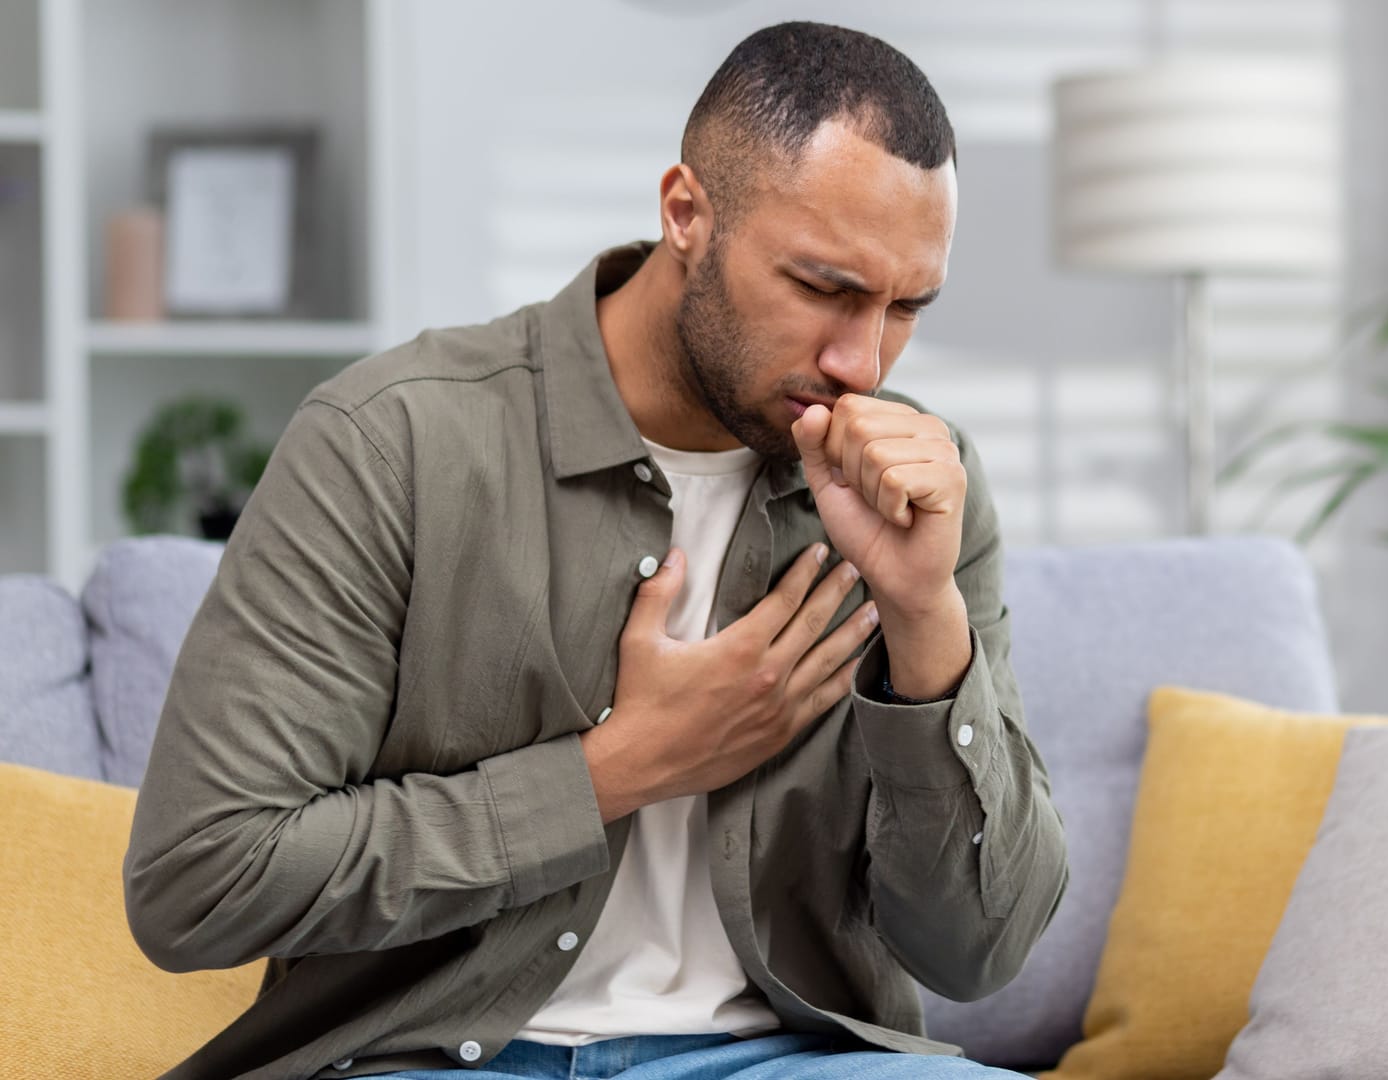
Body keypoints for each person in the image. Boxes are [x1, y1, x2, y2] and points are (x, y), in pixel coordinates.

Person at [124, 21, 1068, 1080]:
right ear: (686, 213)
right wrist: (615, 771)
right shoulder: (395, 441)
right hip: (425, 1059)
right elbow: (197, 881)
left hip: (786, 1062)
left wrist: (926, 627)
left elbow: (979, 952)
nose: (861, 360)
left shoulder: (922, 489)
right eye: (823, 287)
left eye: (907, 308)